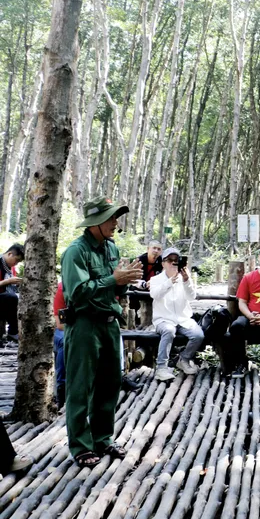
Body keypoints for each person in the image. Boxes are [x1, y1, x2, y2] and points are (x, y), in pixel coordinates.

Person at [61, 196, 144, 467]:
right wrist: (113, 278)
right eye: (111, 218)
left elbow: (113, 289)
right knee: (81, 386)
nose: (115, 223)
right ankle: (82, 446)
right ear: (95, 222)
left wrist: (124, 280)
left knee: (110, 384)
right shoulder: (77, 251)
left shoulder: (111, 248)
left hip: (110, 324)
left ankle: (103, 439)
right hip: (85, 325)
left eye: (115, 217)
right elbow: (78, 293)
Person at [149, 248, 204, 382]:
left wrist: (186, 281)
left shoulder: (185, 278)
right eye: (170, 260)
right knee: (169, 331)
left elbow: (191, 297)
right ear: (163, 263)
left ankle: (184, 359)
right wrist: (170, 282)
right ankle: (161, 367)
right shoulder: (156, 279)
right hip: (163, 319)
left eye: (176, 260)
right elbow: (154, 294)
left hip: (183, 318)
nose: (173, 263)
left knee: (198, 335)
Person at [228, 246, 260, 379]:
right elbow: (242, 302)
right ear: (259, 257)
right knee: (236, 326)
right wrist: (250, 315)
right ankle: (242, 363)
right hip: (250, 317)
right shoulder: (248, 277)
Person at [0, 244, 24, 340]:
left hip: (3, 296)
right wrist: (8, 281)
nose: (16, 263)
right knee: (12, 298)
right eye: (17, 260)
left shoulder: (10, 268)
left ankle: (14, 331)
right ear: (10, 254)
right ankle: (13, 331)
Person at [53, 281, 67, 406]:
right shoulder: (63, 289)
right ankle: (62, 387)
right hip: (64, 329)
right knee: (65, 341)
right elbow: (61, 324)